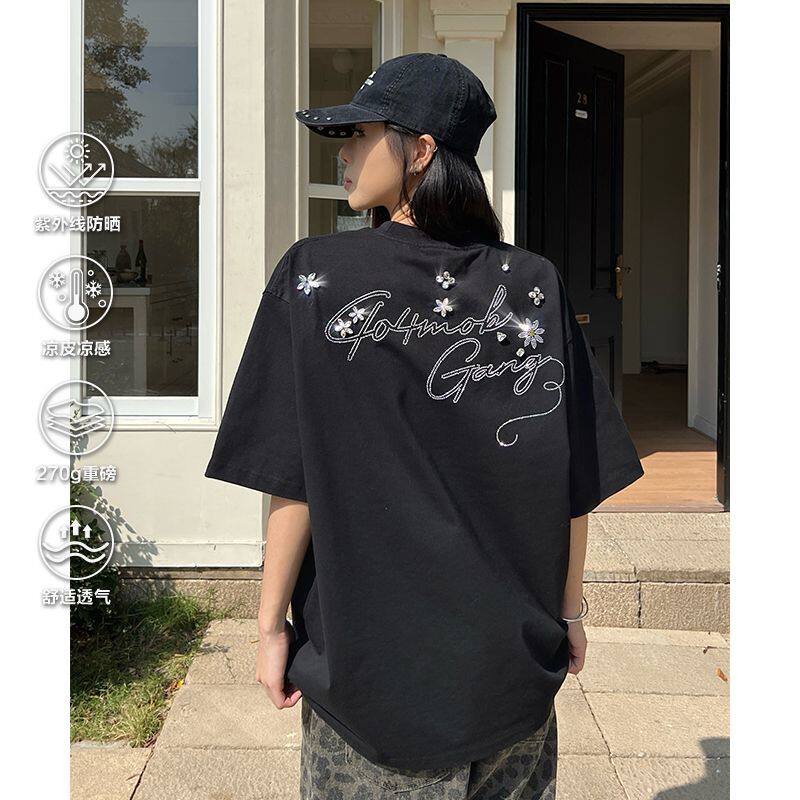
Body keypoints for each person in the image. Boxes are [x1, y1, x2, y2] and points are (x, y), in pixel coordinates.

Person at [205, 52, 644, 800]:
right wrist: (570, 614)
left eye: (359, 133)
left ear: (421, 150)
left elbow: (293, 479)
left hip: (373, 684)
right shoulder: (532, 283)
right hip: (510, 679)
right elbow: (571, 483)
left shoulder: (317, 277)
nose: (342, 153)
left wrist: (270, 626)